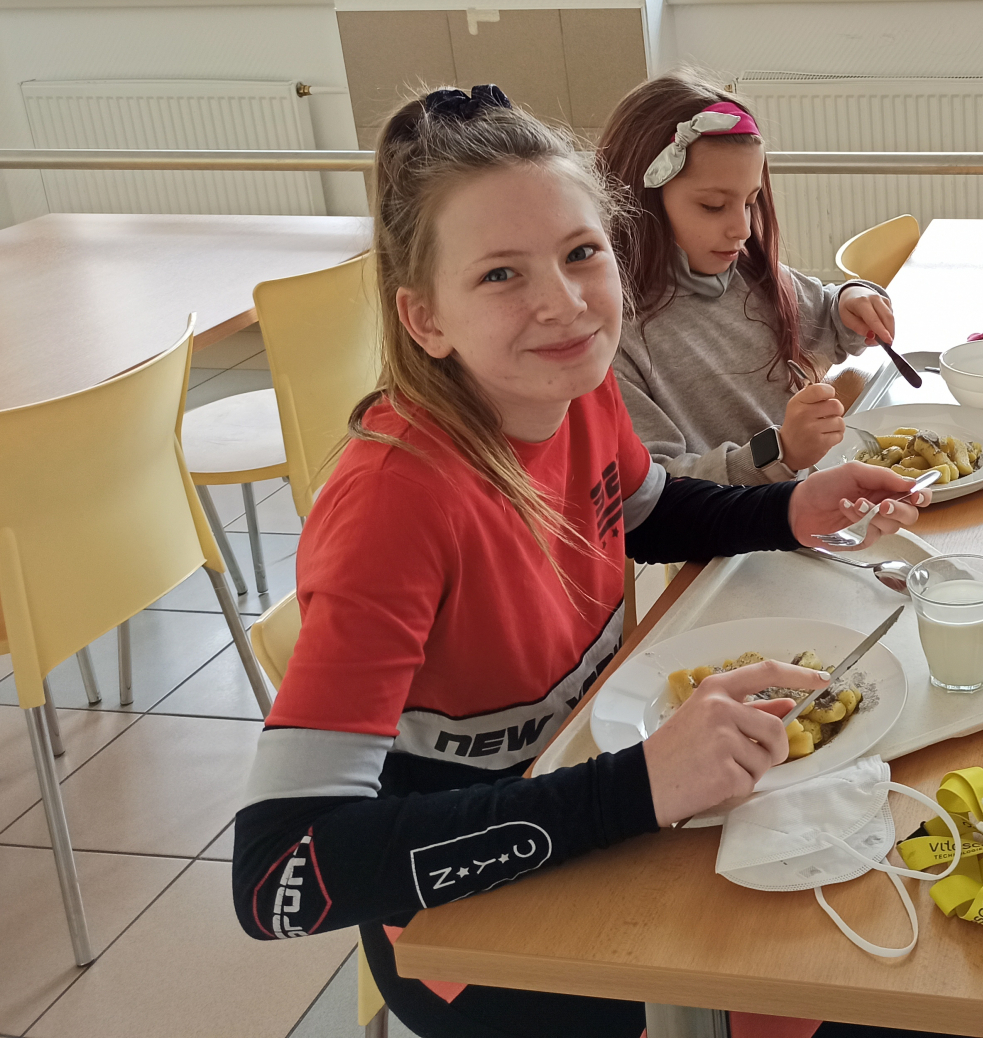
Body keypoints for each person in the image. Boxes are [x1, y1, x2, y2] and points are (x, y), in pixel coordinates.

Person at [230, 85, 925, 1038]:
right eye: (500, 275)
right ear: (425, 319)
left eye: (580, 254)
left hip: (605, 799)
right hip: (479, 931)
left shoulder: (579, 390)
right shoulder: (395, 504)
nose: (563, 305)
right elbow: (280, 877)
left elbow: (647, 512)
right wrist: (639, 786)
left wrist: (788, 510)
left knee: (876, 925)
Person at [599, 72, 896, 483]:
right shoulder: (613, 337)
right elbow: (657, 486)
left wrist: (853, 299)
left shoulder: (747, 276)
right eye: (713, 206)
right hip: (733, 523)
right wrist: (780, 451)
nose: (741, 229)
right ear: (637, 201)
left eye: (750, 202)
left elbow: (830, 314)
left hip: (806, 500)